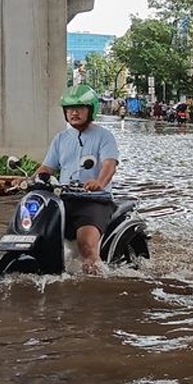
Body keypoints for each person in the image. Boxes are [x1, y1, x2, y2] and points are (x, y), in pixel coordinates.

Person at [35, 84, 119, 275]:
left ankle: (95, 283)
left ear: (91, 110)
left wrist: (99, 182)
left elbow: (109, 165)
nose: (74, 113)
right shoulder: (60, 139)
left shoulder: (104, 137)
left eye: (79, 108)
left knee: (86, 245)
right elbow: (47, 168)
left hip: (93, 200)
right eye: (70, 109)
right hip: (63, 200)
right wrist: (26, 181)